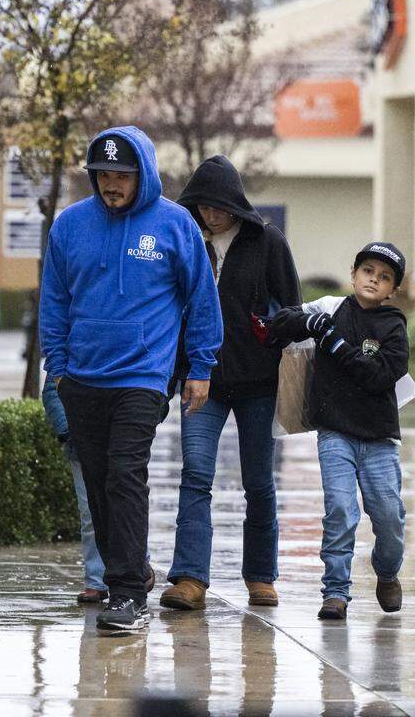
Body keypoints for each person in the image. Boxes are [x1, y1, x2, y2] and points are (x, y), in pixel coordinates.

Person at [40, 126, 222, 635]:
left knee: (124, 474)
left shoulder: (174, 225)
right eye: (102, 175)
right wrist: (57, 364)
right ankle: (134, 566)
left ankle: (124, 594)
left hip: (143, 375)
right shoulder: (70, 226)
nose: (111, 184)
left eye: (121, 174)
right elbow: (54, 299)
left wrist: (200, 367)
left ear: (142, 173)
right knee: (98, 483)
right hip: (81, 376)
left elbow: (202, 300)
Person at [159, 156, 301, 612]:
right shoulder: (186, 240)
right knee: (196, 475)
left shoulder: (267, 241)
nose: (210, 214)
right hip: (203, 382)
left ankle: (261, 577)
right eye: (202, 205)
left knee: (258, 481)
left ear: (235, 204)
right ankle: (189, 578)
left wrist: (273, 326)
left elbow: (293, 310)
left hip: (259, 383)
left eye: (218, 206)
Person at [267, 242, 410, 621]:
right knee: (340, 511)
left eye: (384, 278)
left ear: (392, 289)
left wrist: (333, 343)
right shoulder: (330, 308)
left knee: (389, 518)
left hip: (379, 439)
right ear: (354, 274)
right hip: (335, 433)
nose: (373, 280)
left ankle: (388, 572)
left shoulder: (393, 326)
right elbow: (278, 325)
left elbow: (378, 375)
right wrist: (308, 323)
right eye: (368, 272)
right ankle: (335, 592)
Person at [41, 372, 157, 604]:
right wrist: (70, 431)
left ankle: (136, 566)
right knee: (90, 513)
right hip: (81, 443)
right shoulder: (67, 359)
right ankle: (96, 579)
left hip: (119, 436)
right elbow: (51, 392)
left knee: (124, 503)